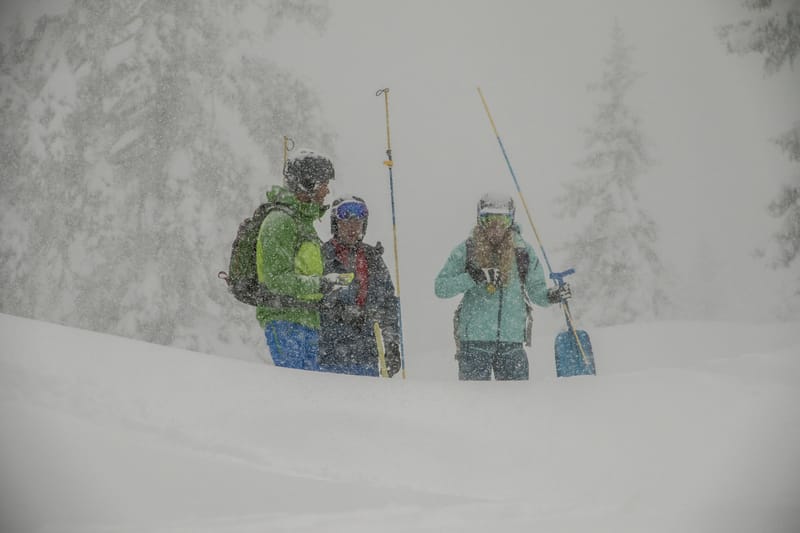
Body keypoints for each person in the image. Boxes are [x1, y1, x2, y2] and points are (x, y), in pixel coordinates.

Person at [434, 193, 572, 380]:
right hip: (474, 343)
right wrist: (474, 276)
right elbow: (441, 287)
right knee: (473, 397)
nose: (496, 228)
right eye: (489, 219)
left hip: (511, 343)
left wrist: (552, 295)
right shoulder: (467, 249)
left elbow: (537, 292)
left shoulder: (522, 251)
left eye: (503, 220)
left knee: (517, 397)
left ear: (511, 220)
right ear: (479, 219)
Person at [256, 149, 354, 370]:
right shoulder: (280, 222)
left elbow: (303, 274)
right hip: (285, 321)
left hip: (307, 321)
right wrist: (320, 284)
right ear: (307, 184)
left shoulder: (303, 223)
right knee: (294, 387)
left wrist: (328, 288)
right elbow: (275, 280)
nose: (327, 190)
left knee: (307, 387)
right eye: (323, 184)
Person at [319, 195, 401, 377]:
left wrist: (392, 345)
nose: (352, 227)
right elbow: (315, 297)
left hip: (365, 351)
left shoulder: (372, 258)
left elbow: (387, 304)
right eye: (346, 221)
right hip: (329, 351)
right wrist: (340, 311)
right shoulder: (323, 256)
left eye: (358, 221)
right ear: (335, 224)